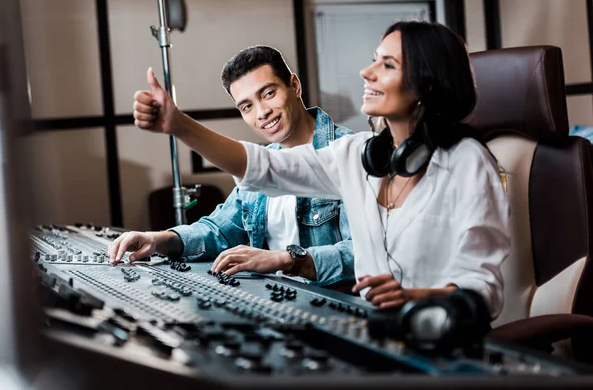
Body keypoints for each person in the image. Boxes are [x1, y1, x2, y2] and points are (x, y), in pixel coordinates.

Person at [130, 21, 510, 318]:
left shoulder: (467, 160)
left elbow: (483, 291)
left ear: (427, 82)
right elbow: (264, 168)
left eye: (387, 64)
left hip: (437, 336)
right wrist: (179, 125)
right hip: (371, 327)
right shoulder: (359, 155)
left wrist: (415, 298)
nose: (366, 71)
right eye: (374, 58)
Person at [109, 46, 355, 287]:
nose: (262, 113)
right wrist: (159, 239)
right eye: (247, 106)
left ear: (294, 85)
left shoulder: (351, 153)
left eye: (268, 94)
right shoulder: (263, 164)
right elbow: (218, 231)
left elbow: (362, 253)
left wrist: (285, 260)